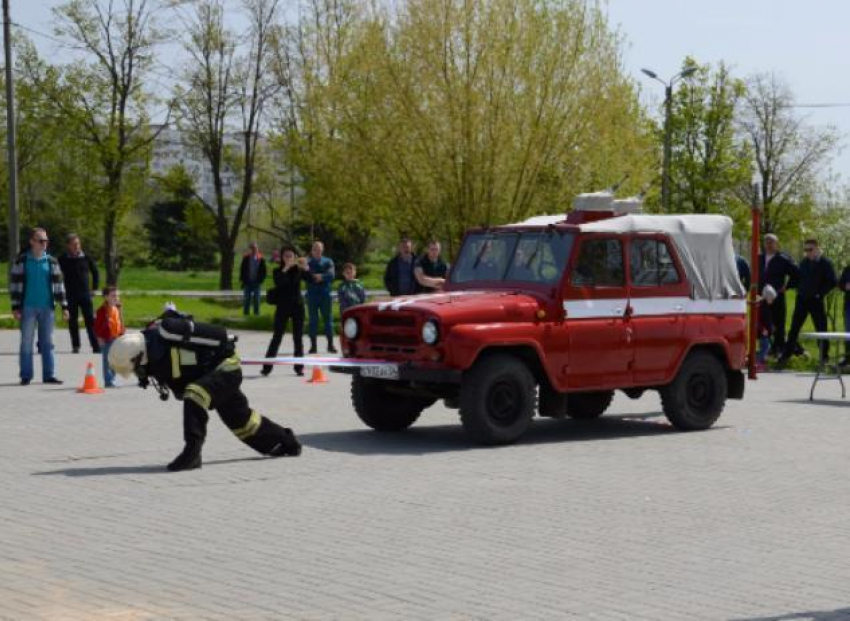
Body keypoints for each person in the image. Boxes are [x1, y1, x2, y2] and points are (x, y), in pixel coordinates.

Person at [108, 312, 302, 471]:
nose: (136, 373)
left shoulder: (165, 336)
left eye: (134, 369)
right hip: (210, 375)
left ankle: (192, 453)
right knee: (242, 423)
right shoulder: (152, 356)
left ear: (138, 356)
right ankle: (286, 442)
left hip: (226, 367)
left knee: (195, 393)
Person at [10, 228, 70, 386]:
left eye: (46, 241)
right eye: (41, 240)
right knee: (26, 342)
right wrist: (15, 307)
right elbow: (15, 285)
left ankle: (49, 375)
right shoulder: (22, 261)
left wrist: (64, 306)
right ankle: (26, 375)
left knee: (48, 342)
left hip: (47, 308)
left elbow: (59, 286)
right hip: (27, 308)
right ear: (32, 242)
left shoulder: (52, 261)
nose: (44, 244)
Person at [779, 239, 837, 365]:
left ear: (817, 249)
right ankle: (786, 356)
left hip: (816, 301)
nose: (807, 252)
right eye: (805, 250)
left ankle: (824, 358)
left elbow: (832, 281)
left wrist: (819, 294)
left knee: (821, 329)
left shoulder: (825, 263)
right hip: (802, 299)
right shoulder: (804, 262)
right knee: (794, 328)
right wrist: (787, 286)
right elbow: (797, 278)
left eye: (810, 249)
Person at [262, 246, 307, 377]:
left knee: (298, 338)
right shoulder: (278, 271)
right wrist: (286, 268)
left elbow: (311, 279)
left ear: (295, 257)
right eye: (286, 256)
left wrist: (306, 267)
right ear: (282, 258)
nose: (288, 258)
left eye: (290, 256)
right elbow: (282, 284)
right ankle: (267, 368)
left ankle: (299, 368)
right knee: (277, 337)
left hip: (298, 307)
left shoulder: (299, 270)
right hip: (283, 307)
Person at [758, 233, 800, 356]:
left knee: (778, 323)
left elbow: (796, 274)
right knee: (764, 322)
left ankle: (778, 349)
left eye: (771, 242)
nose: (769, 245)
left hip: (777, 296)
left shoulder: (783, 259)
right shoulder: (759, 258)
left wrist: (787, 286)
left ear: (776, 244)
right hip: (762, 296)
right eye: (767, 242)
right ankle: (765, 349)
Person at [58, 233, 100, 354]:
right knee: (72, 321)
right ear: (68, 246)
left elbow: (95, 272)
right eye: (74, 244)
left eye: (78, 244)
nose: (77, 246)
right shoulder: (62, 259)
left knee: (90, 321)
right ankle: (76, 345)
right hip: (69, 294)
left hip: (85, 294)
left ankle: (96, 346)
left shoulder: (86, 257)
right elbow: (55, 275)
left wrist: (94, 288)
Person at [305, 240, 336, 354]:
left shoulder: (328, 261)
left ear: (322, 250)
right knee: (313, 320)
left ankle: (330, 345)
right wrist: (316, 277)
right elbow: (306, 276)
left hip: (325, 294)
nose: (317, 251)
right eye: (314, 249)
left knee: (328, 319)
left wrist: (321, 277)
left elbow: (331, 275)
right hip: (312, 295)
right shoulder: (307, 262)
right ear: (312, 250)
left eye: (319, 249)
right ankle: (313, 346)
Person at [94, 286, 125, 388]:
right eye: (113, 296)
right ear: (106, 297)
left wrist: (122, 332)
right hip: (106, 339)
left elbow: (120, 321)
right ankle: (108, 381)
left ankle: (112, 378)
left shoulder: (117, 308)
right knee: (107, 361)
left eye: (117, 295)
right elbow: (97, 326)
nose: (116, 298)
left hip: (116, 338)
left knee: (115, 360)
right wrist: (99, 338)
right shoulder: (102, 310)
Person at [239, 242, 266, 316]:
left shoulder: (261, 259)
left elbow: (264, 271)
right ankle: (246, 314)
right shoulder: (246, 258)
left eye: (256, 248)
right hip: (247, 282)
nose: (254, 250)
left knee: (257, 299)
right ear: (250, 249)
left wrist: (261, 280)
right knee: (247, 299)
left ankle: (256, 314)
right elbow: (242, 270)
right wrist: (242, 280)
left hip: (257, 282)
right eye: (253, 248)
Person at [756, 284, 777, 373]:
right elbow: (758, 320)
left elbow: (767, 318)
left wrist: (771, 326)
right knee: (766, 347)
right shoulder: (761, 306)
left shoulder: (766, 306)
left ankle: (761, 363)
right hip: (762, 332)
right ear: (767, 297)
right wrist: (763, 329)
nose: (772, 301)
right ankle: (757, 363)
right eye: (771, 299)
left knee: (765, 347)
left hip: (766, 331)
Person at [839, 264, 850, 366]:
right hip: (848, 306)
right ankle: (848, 358)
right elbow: (840, 284)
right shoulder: (847, 269)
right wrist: (845, 286)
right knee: (848, 333)